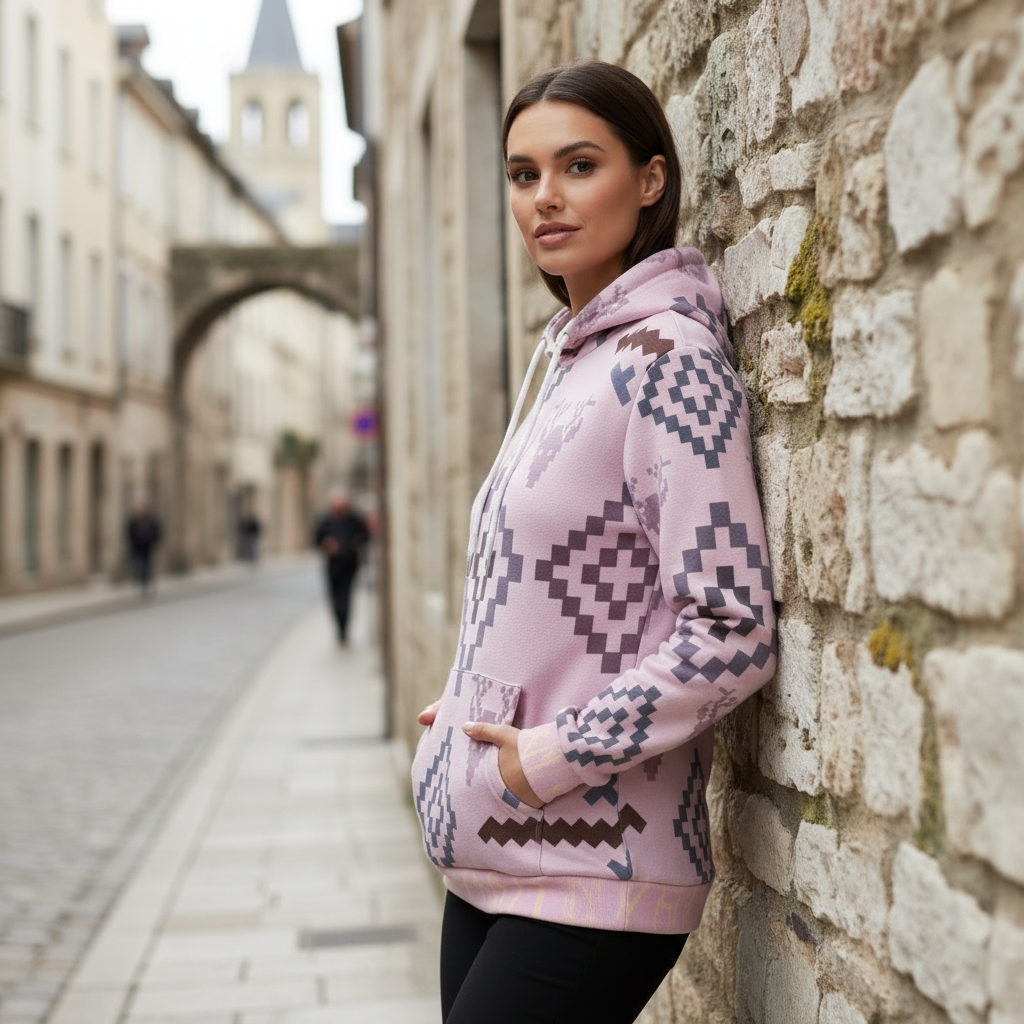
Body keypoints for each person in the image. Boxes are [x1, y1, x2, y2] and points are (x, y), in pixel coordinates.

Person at [411, 61, 778, 1024]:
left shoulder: (669, 361)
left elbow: (731, 630)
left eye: (579, 165)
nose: (546, 199)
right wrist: (473, 700)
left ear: (650, 179)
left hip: (596, 868)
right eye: (524, 174)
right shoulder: (572, 354)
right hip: (495, 857)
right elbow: (556, 573)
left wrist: (551, 753)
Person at [314, 489, 370, 644]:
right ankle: (339, 628)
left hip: (350, 564)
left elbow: (364, 537)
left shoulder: (355, 520)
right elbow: (317, 540)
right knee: (334, 599)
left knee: (346, 598)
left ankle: (345, 630)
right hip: (333, 565)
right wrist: (327, 546)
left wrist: (351, 545)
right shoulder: (326, 521)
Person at [125, 502, 162, 593]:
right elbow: (129, 532)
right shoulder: (135, 521)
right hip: (137, 547)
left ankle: (144, 581)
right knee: (139, 564)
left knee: (146, 564)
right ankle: (141, 580)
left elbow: (156, 532)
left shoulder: (150, 521)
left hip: (146, 547)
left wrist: (155, 542)